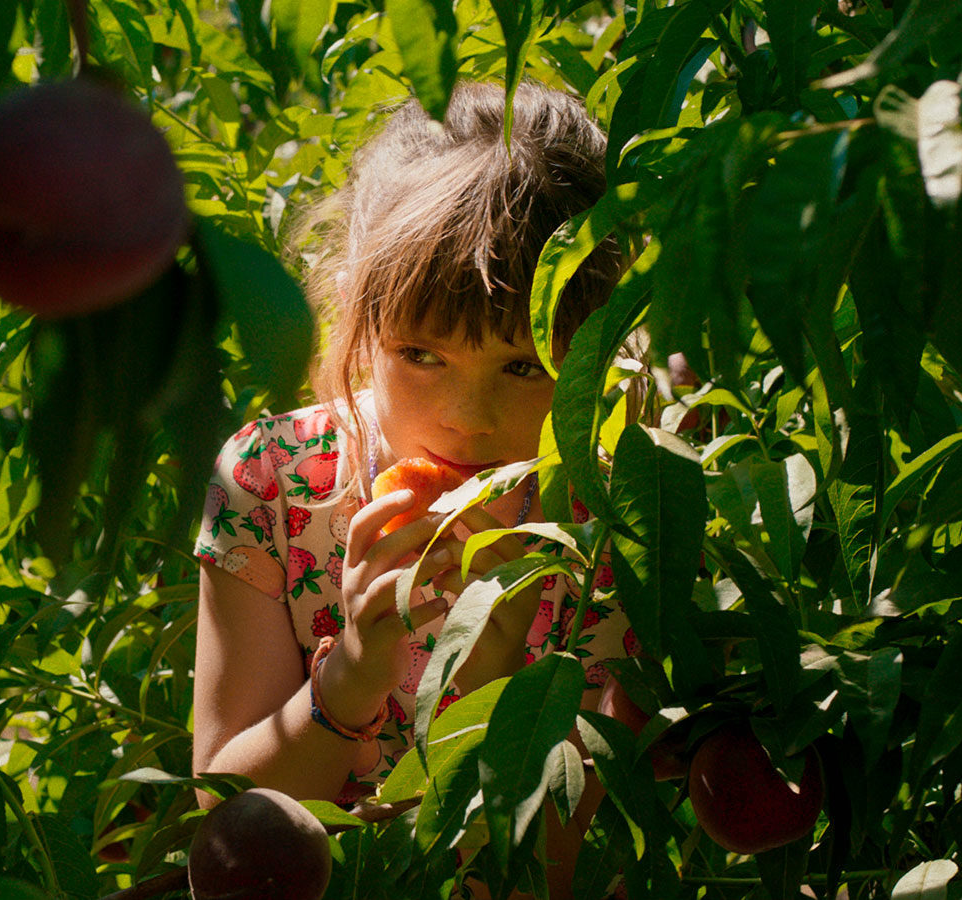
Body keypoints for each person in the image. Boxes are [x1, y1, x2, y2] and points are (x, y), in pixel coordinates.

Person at [191, 79, 633, 898]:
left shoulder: (611, 526)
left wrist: (492, 676)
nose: (466, 419)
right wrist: (353, 675)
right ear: (358, 317)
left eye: (523, 366)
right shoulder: (275, 486)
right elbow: (224, 829)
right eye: (422, 356)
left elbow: (561, 868)